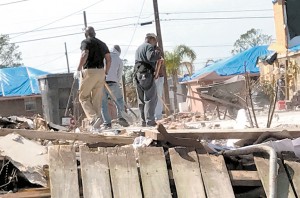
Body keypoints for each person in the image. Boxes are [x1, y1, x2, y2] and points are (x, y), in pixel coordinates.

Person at [74, 26, 111, 128]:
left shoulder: (86, 42)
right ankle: (97, 124)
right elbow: (108, 59)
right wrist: (106, 72)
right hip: (101, 72)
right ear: (95, 33)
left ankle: (93, 118)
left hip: (90, 72)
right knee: (96, 99)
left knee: (83, 97)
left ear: (86, 34)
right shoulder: (102, 44)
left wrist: (78, 68)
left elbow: (84, 54)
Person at [134, 33, 162, 127]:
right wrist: (157, 53)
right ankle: (150, 121)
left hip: (137, 75)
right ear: (151, 39)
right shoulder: (149, 46)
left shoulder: (139, 48)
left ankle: (143, 122)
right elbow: (151, 57)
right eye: (155, 42)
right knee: (150, 99)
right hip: (146, 74)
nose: (155, 44)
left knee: (141, 100)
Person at [101, 45, 129, 128]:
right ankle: (121, 118)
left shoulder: (104, 56)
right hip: (113, 83)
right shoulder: (119, 60)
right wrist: (117, 82)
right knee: (119, 100)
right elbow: (119, 74)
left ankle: (107, 123)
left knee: (103, 103)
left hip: (103, 82)